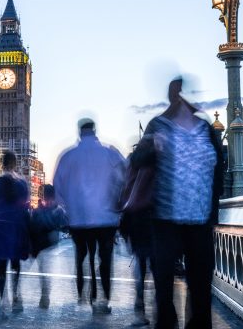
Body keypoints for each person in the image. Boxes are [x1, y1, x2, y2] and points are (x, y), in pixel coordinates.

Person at [131, 77, 224, 329]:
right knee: (164, 292)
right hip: (165, 222)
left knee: (201, 291)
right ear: (176, 96)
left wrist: (213, 213)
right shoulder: (158, 125)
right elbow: (136, 160)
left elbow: (219, 173)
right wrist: (152, 146)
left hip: (200, 223)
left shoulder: (207, 129)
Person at [53, 118, 126, 314]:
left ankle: (85, 291)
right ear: (95, 131)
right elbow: (126, 175)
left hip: (79, 219)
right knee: (105, 257)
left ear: (79, 132)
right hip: (106, 218)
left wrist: (68, 206)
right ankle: (103, 297)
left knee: (83, 255)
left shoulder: (68, 156)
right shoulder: (110, 153)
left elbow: (57, 187)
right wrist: (118, 200)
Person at [0, 151, 30, 318]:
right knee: (15, 262)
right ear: (15, 164)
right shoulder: (21, 183)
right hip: (16, 228)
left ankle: (3, 299)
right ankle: (16, 295)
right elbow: (25, 206)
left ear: (2, 164)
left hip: (1, 229)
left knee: (1, 263)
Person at [120, 151, 152, 327]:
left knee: (140, 264)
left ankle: (140, 306)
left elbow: (124, 193)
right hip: (154, 219)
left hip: (136, 220)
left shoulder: (132, 166)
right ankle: (163, 308)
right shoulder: (156, 164)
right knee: (158, 267)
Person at [30, 184, 68, 309]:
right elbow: (64, 225)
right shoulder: (57, 210)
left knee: (43, 269)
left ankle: (44, 294)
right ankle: (44, 294)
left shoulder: (42, 210)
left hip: (43, 244)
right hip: (45, 244)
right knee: (43, 269)